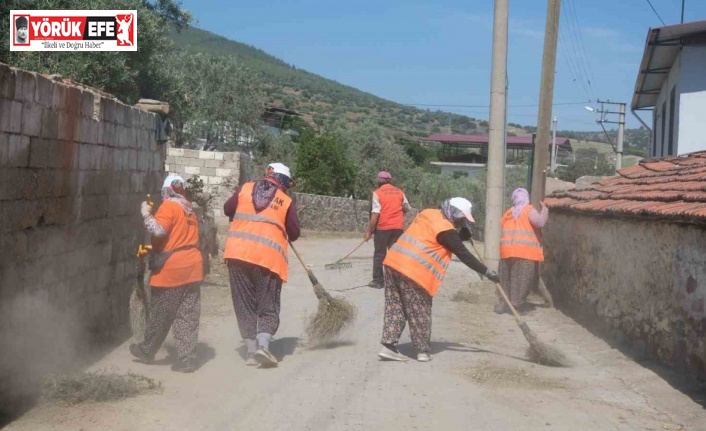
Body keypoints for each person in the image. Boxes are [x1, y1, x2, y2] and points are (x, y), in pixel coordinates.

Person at [378, 197, 500, 362]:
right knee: (419, 309)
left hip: (393, 262)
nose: (461, 221)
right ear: (452, 214)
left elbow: (431, 237)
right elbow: (463, 254)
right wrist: (487, 272)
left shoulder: (428, 213)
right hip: (414, 271)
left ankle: (388, 346)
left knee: (396, 306)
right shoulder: (446, 231)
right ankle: (422, 351)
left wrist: (459, 233)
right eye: (460, 218)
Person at [223, 162, 300, 367]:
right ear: (283, 181)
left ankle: (250, 351)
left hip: (238, 255)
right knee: (268, 304)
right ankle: (263, 347)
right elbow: (294, 233)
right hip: (267, 260)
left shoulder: (245, 188)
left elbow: (227, 209)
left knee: (244, 303)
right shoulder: (285, 200)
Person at [130, 175, 204, 373]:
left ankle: (147, 350)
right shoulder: (189, 209)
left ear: (166, 191)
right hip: (194, 267)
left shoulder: (170, 206)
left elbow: (159, 230)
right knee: (187, 315)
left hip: (173, 269)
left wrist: (146, 214)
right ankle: (187, 358)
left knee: (161, 312)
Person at [495, 188, 548, 314]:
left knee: (506, 279)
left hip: (507, 251)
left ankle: (504, 303)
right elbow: (540, 223)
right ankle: (516, 305)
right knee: (522, 279)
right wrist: (545, 209)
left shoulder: (508, 213)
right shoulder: (529, 210)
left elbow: (502, 226)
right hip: (525, 252)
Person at [364, 171, 412, 289]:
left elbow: (375, 213)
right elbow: (407, 208)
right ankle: (396, 282)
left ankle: (378, 281)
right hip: (397, 228)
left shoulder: (377, 193)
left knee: (380, 254)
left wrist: (369, 231)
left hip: (383, 228)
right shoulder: (400, 192)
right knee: (395, 255)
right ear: (390, 180)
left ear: (379, 182)